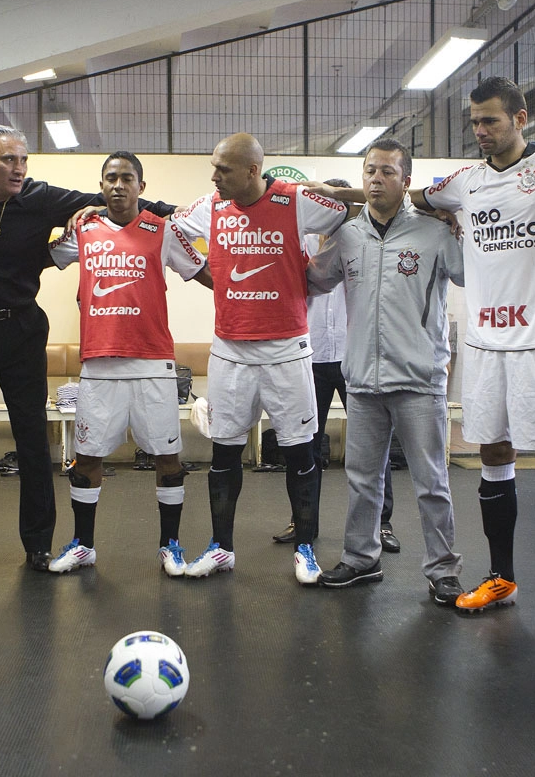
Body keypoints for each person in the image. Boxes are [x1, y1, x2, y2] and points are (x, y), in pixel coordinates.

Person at [0, 125, 176, 572]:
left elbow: (125, 201)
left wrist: (220, 206)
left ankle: (38, 544)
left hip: (20, 327)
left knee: (32, 439)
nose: (19, 168)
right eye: (9, 160)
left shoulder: (41, 197)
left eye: (23, 160)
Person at [403, 78, 535, 630]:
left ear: (521, 119)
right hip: (486, 342)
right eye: (474, 121)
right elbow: (419, 198)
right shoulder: (466, 180)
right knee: (493, 454)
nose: (480, 131)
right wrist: (445, 216)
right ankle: (501, 576)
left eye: (490, 121)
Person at [172, 132, 348, 585]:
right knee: (224, 452)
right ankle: (221, 548)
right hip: (230, 350)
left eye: (223, 169)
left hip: (287, 349)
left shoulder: (294, 202)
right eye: (213, 168)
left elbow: (350, 213)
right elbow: (169, 228)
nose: (214, 178)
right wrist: (201, 273)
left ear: (253, 170)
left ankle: (306, 548)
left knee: (300, 451)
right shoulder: (210, 207)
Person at [308, 138, 464, 603]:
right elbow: (315, 280)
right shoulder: (348, 235)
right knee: (361, 478)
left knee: (431, 481)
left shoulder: (435, 233)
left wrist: (461, 224)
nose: (376, 179)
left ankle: (442, 570)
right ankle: (360, 559)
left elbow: (468, 274)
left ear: (407, 181)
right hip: (362, 379)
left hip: (419, 379)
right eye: (370, 171)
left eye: (387, 172)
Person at [47, 151, 212, 575]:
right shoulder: (82, 229)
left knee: (167, 459)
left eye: (126, 178)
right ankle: (84, 544)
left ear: (141, 185)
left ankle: (170, 545)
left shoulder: (163, 231)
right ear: (101, 186)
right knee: (87, 460)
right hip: (99, 366)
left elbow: (205, 273)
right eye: (110, 178)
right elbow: (41, 256)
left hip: (153, 364)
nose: (117, 185)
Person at [271, 177, 401, 555]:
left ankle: (383, 523)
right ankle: (302, 521)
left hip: (353, 354)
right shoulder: (300, 242)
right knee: (304, 446)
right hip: (308, 356)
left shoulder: (361, 244)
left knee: (374, 446)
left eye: (343, 208)